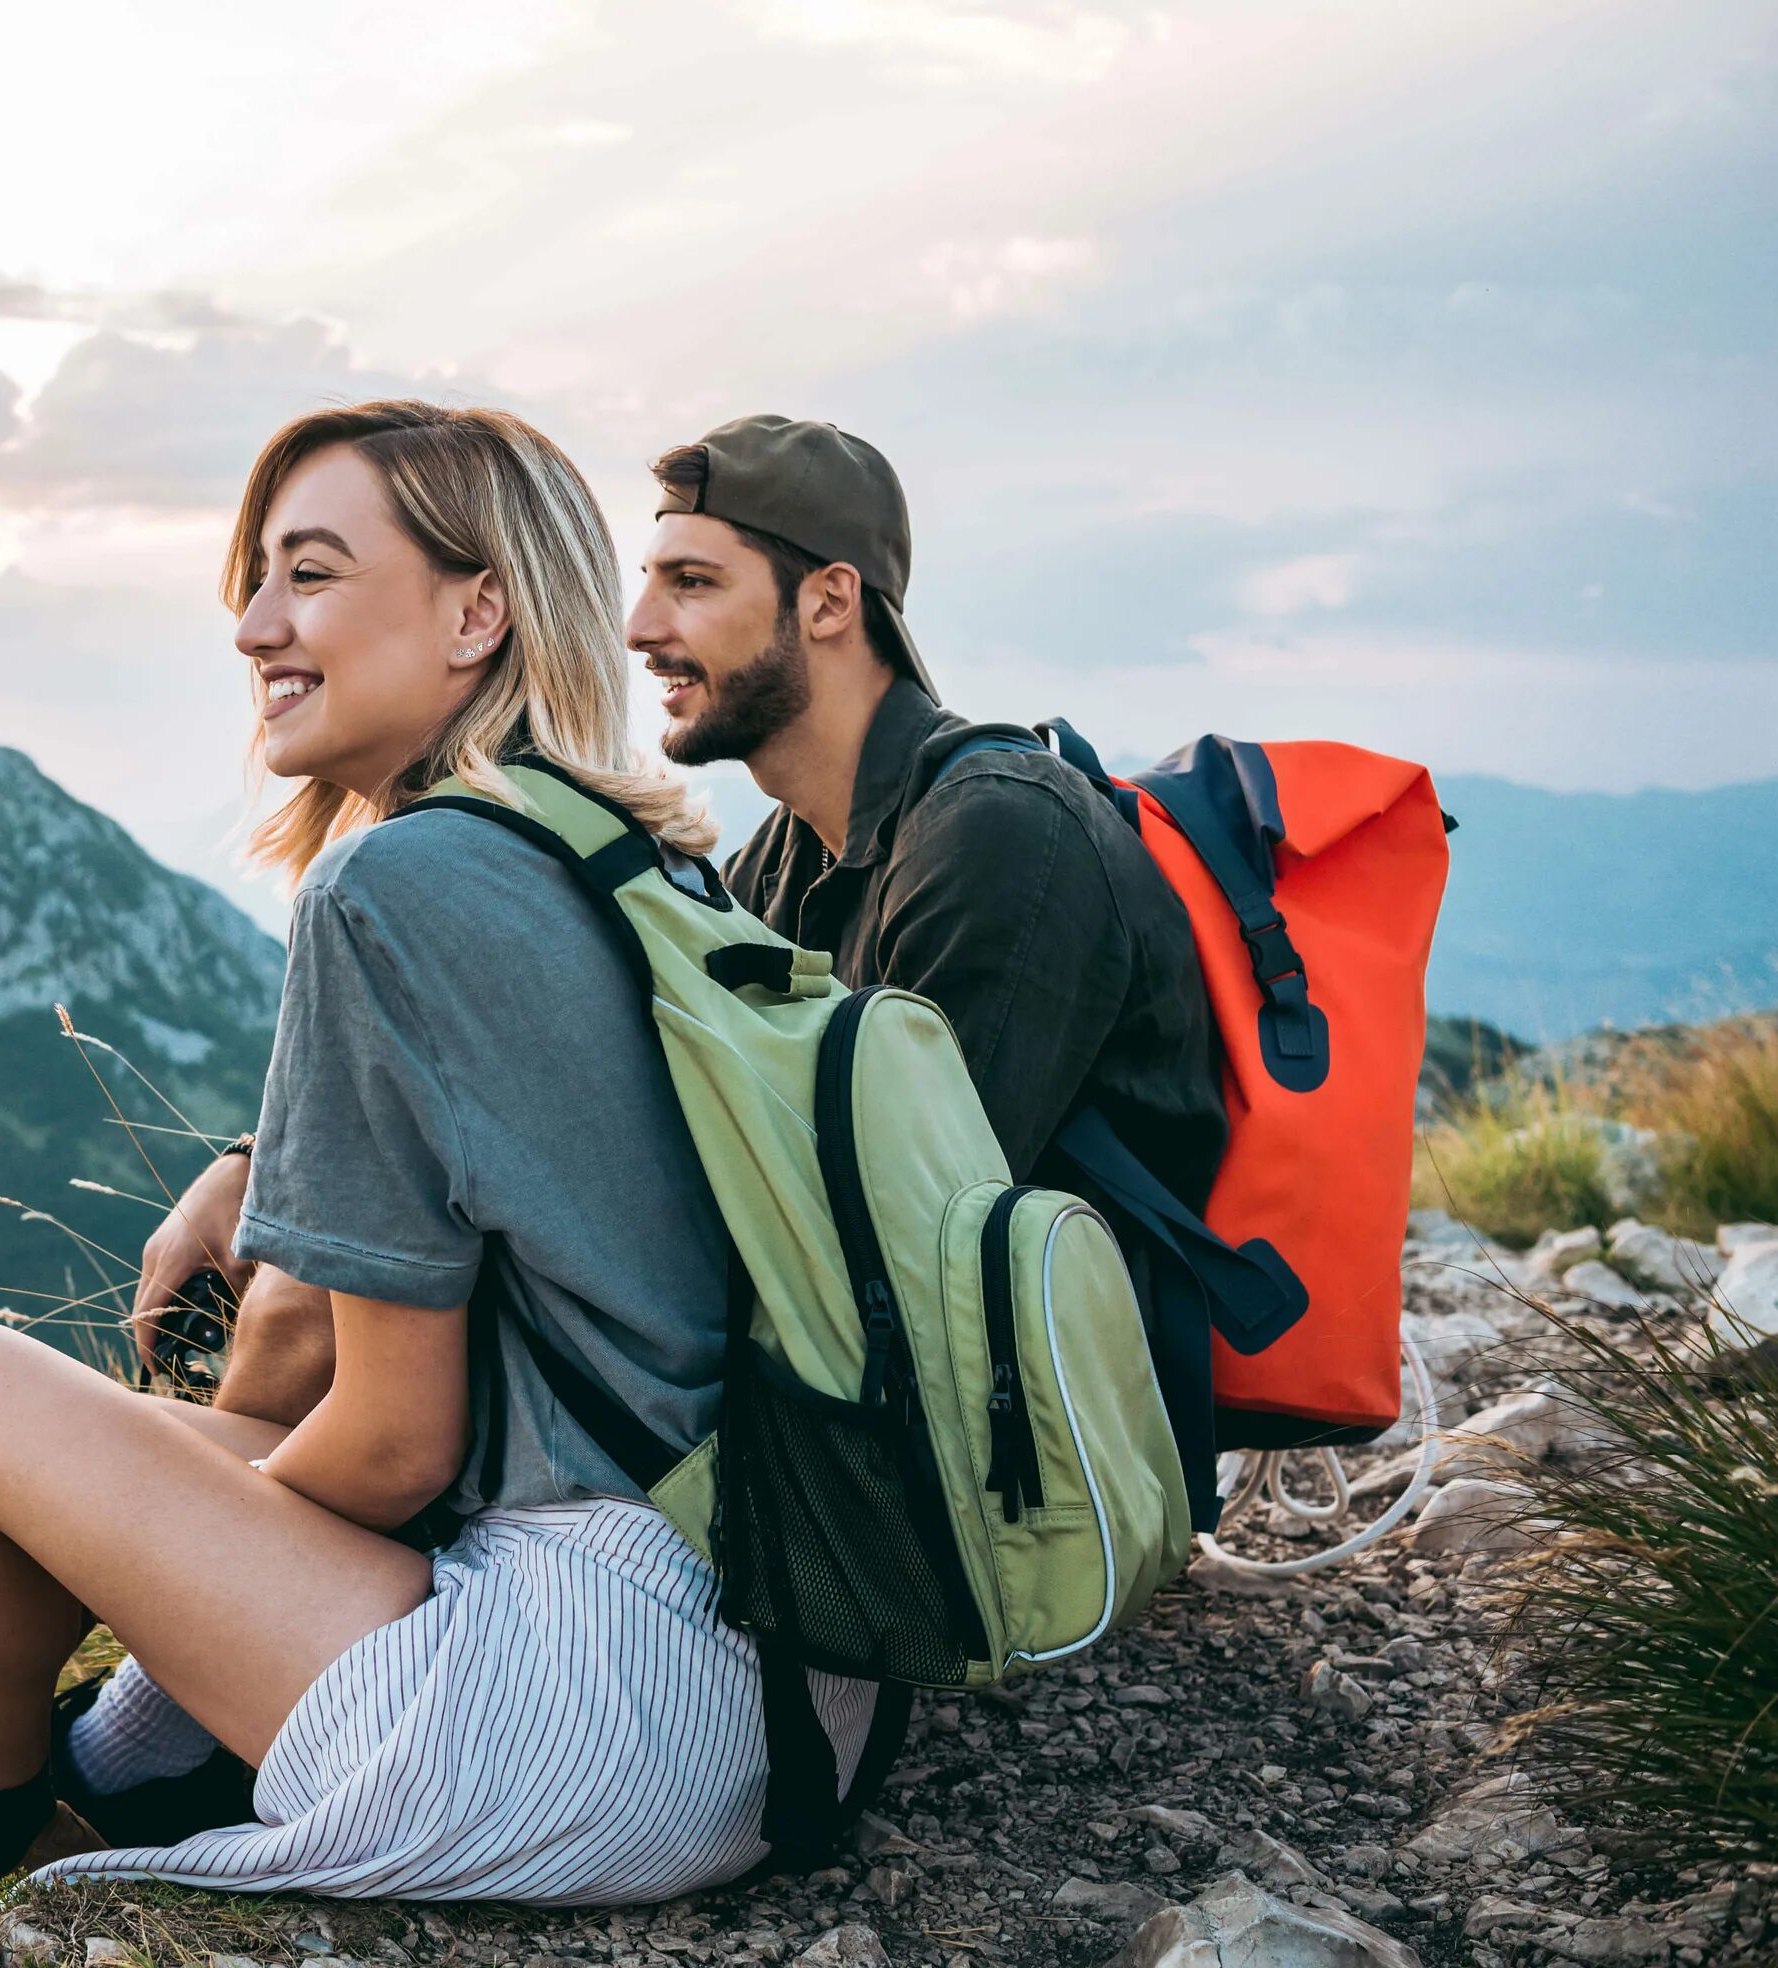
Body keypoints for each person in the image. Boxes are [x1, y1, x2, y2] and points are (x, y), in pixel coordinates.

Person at [0, 399, 809, 1966]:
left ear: (479, 609)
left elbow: (393, 1447)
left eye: (308, 576)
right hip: (774, 1685)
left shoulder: (394, 882)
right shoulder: (628, 859)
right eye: (254, 583)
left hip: (593, 1709)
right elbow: (354, 1326)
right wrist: (238, 1239)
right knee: (114, 1458)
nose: (255, 627)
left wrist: (137, 1618)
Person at [100, 413, 1227, 1852]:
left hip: (1022, 1475)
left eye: (692, 583)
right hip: (890, 1452)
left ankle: (175, 1676)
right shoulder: (772, 864)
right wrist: (270, 1167)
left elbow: (873, 1260)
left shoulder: (995, 839)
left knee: (397, 1353)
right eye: (644, 581)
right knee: (359, 1314)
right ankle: (196, 1656)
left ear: (829, 600)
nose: (639, 626)